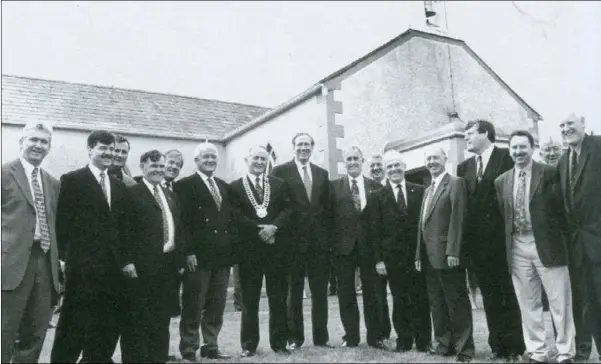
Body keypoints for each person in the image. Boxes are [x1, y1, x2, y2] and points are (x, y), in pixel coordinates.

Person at [493, 130, 575, 363]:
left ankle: (565, 352)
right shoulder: (501, 181)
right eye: (515, 147)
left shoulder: (550, 173)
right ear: (510, 150)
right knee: (528, 303)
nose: (518, 151)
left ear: (532, 148)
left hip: (548, 246)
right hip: (518, 246)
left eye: (523, 147)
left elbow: (561, 211)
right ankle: (537, 352)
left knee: (560, 302)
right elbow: (504, 213)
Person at [50, 130, 128, 363]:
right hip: (82, 268)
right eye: (103, 148)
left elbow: (121, 228)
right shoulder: (72, 180)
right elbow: (62, 225)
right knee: (74, 323)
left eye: (112, 149)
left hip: (112, 269)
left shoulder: (118, 185)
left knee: (105, 323)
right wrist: (65, 260)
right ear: (90, 149)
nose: (109, 153)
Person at [457, 120, 525, 360]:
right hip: (478, 247)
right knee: (489, 296)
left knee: (509, 294)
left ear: (485, 133)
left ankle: (515, 346)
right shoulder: (463, 167)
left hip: (504, 243)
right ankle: (498, 346)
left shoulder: (507, 157)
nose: (466, 138)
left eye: (470, 134)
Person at [2, 122, 62, 363]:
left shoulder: (52, 182)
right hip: (10, 264)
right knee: (4, 331)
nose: (38, 145)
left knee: (35, 333)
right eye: (33, 140)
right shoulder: (4, 173)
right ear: (21, 142)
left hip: (44, 263)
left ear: (49, 148)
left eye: (44, 141)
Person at [119, 150, 185, 363]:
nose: (158, 170)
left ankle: (158, 358)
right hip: (141, 267)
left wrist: (180, 260)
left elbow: (179, 228)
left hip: (167, 267)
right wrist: (126, 260)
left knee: (161, 318)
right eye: (153, 166)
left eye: (161, 166)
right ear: (143, 167)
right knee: (137, 318)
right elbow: (123, 231)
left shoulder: (170, 195)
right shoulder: (131, 194)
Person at [271, 132, 332, 350]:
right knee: (294, 293)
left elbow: (327, 209)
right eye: (299, 144)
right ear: (293, 147)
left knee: (319, 293)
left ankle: (321, 338)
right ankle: (295, 337)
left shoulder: (322, 174)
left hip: (318, 245)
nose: (303, 148)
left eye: (307, 144)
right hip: (292, 243)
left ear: (312, 147)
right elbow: (277, 205)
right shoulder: (280, 172)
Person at [230, 145, 292, 357]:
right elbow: (235, 215)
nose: (259, 162)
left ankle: (280, 343)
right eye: (255, 158)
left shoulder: (279, 184)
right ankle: (248, 345)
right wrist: (259, 230)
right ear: (247, 160)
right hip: (249, 252)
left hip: (276, 250)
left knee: (278, 298)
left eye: (262, 159)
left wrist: (274, 227)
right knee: (249, 300)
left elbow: (288, 209)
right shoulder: (235, 187)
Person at [177, 142, 235, 361]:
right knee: (193, 303)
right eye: (206, 157)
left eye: (213, 157)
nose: (210, 160)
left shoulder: (223, 186)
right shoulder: (185, 185)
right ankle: (189, 347)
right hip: (198, 256)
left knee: (216, 304)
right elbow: (182, 223)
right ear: (196, 161)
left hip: (222, 255)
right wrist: (187, 252)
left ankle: (211, 345)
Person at [415, 147, 474, 363]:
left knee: (456, 302)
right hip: (429, 257)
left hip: (448, 255)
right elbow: (421, 226)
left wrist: (453, 251)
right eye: (428, 158)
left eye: (436, 158)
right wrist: (418, 256)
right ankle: (443, 344)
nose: (432, 162)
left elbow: (458, 219)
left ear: (445, 160)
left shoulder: (456, 183)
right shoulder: (427, 189)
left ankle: (464, 349)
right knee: (437, 303)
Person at [372, 150, 431, 353]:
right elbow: (375, 230)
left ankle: (424, 341)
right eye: (390, 166)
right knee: (399, 299)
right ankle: (404, 340)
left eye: (397, 165)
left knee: (421, 298)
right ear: (386, 171)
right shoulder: (378, 196)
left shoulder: (420, 190)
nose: (394, 169)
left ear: (404, 167)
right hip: (392, 258)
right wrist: (379, 260)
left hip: (416, 256)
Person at [330, 146, 386, 350]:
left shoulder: (375, 186)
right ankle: (351, 337)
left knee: (373, 294)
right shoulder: (333, 186)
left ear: (363, 161)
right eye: (349, 159)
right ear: (344, 163)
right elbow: (329, 219)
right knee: (346, 294)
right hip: (343, 249)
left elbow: (379, 221)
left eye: (356, 158)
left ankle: (375, 337)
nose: (352, 162)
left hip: (369, 249)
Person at [557, 113, 601, 362]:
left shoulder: (599, 146)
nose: (566, 128)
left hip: (598, 240)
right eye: (561, 125)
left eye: (570, 124)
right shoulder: (564, 161)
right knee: (588, 303)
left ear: (584, 124)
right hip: (578, 247)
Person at [368, 153, 392, 341]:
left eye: (379, 165)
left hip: (398, 250)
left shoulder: (395, 185)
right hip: (376, 252)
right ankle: (383, 331)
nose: (376, 168)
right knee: (379, 295)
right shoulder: (367, 190)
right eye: (372, 166)